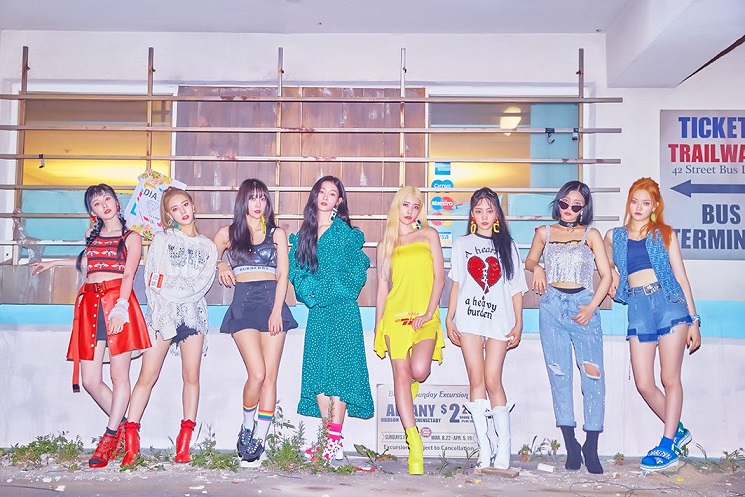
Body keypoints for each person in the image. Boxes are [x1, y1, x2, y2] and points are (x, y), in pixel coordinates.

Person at [31, 184, 151, 468]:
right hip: (90, 304)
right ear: (92, 211)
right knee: (90, 380)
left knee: (119, 376)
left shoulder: (131, 237)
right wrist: (53, 262)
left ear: (117, 202)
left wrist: (121, 308)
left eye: (107, 199)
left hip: (117, 303)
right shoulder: (91, 236)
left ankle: (109, 438)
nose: (104, 205)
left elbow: (128, 275)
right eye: (97, 203)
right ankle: (126, 429)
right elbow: (89, 263)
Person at [604, 177, 701, 472]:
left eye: (646, 203)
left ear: (655, 206)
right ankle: (678, 431)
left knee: (669, 377)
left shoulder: (665, 234)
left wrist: (694, 321)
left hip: (669, 303)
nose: (639, 207)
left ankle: (667, 445)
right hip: (638, 307)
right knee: (644, 382)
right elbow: (604, 259)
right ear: (629, 202)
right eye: (635, 201)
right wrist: (612, 273)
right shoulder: (614, 236)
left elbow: (681, 278)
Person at [121, 187, 217, 466]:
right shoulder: (162, 239)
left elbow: (200, 286)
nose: (182, 211)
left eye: (185, 204)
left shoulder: (208, 247)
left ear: (193, 205)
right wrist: (169, 297)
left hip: (193, 315)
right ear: (169, 215)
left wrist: (170, 284)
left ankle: (184, 443)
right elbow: (152, 280)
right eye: (175, 209)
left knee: (191, 376)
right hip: (162, 314)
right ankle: (131, 443)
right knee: (147, 376)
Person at [525, 180, 611, 475]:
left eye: (576, 205)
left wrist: (591, 307)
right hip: (552, 306)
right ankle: (571, 444)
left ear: (584, 208)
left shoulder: (591, 234)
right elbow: (530, 259)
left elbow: (605, 275)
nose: (569, 209)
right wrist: (537, 267)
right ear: (558, 201)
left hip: (583, 305)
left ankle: (592, 445)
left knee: (593, 377)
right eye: (564, 203)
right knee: (559, 374)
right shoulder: (544, 233)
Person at [289, 175, 373, 461]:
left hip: (343, 311)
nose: (325, 197)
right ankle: (329, 438)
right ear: (315, 196)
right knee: (318, 373)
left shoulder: (348, 235)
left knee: (341, 374)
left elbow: (356, 274)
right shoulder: (303, 236)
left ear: (339, 200)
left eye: (332, 193)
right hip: (318, 312)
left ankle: (333, 440)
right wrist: (313, 293)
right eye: (321, 191)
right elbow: (297, 274)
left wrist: (326, 291)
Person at [215, 178, 298, 468]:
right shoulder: (228, 234)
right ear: (243, 202)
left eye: (262, 198)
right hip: (243, 306)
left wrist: (276, 311)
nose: (258, 204)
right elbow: (208, 255)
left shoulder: (277, 234)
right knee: (257, 374)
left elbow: (283, 274)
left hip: (272, 305)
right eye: (252, 198)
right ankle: (247, 424)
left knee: (270, 377)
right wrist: (220, 264)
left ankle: (260, 438)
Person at [445, 188, 527, 470]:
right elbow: (457, 283)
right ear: (472, 214)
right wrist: (449, 317)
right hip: (469, 318)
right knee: (476, 379)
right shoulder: (461, 244)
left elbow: (516, 288)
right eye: (478, 211)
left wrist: (519, 322)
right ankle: (484, 448)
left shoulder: (508, 246)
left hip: (499, 320)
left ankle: (504, 449)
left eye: (489, 211)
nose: (483, 216)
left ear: (497, 215)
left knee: (493, 379)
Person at [374, 186, 445, 475]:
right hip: (395, 318)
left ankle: (410, 387)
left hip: (425, 316)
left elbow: (439, 278)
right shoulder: (385, 245)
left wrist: (428, 313)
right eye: (406, 205)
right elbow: (382, 289)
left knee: (420, 370)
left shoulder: (429, 235)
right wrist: (378, 326)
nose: (410, 211)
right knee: (401, 375)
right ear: (397, 207)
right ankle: (414, 442)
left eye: (416, 207)